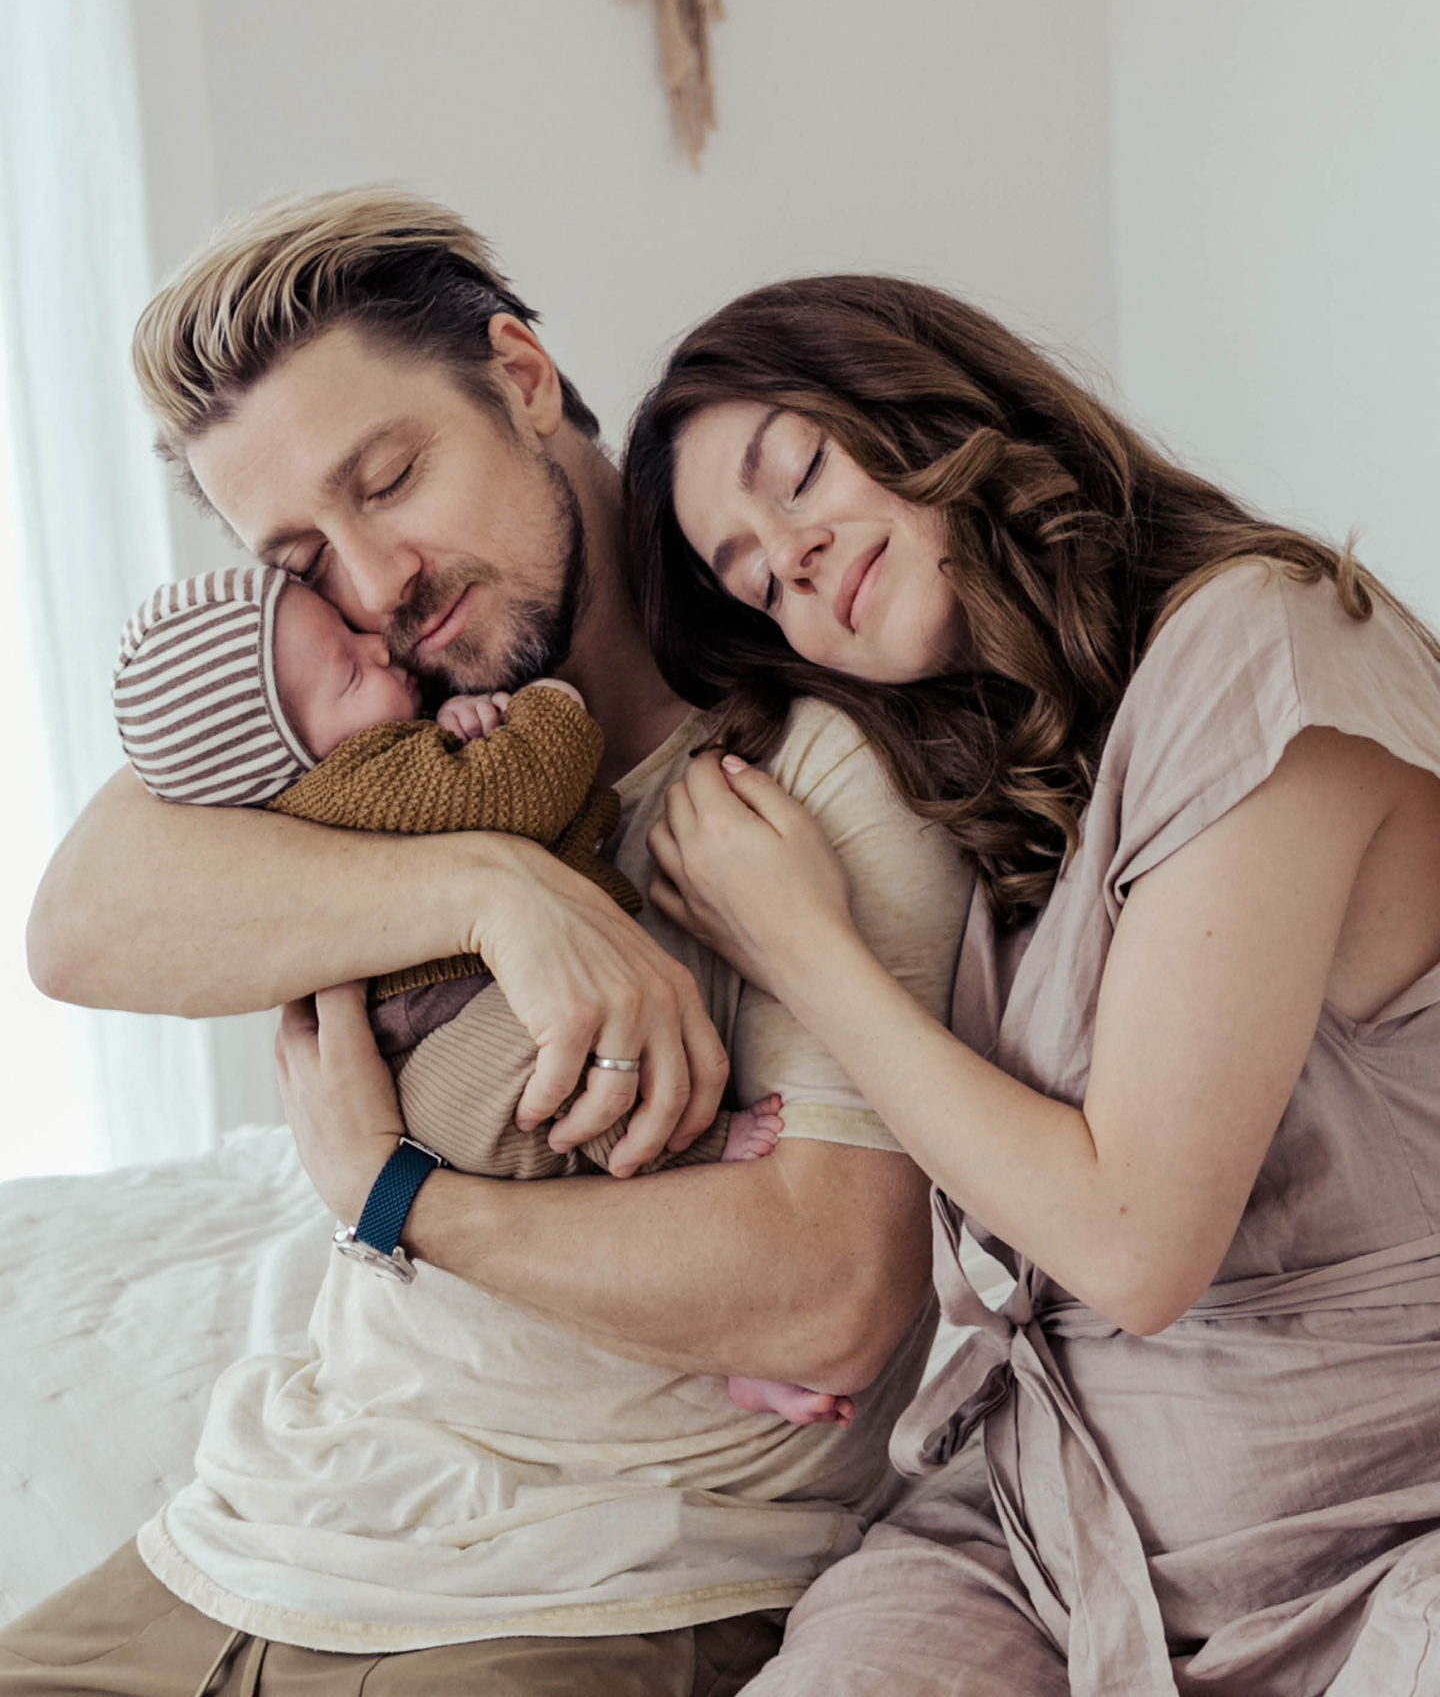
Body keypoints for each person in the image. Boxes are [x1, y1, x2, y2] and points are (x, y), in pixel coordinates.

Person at [2, 195, 970, 1693]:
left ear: (520, 378)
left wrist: (391, 1192)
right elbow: (75, 927)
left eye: (389, 481)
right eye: (304, 560)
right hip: (240, 1543)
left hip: (577, 1598)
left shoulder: (802, 768)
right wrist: (495, 896)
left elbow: (832, 1298)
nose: (375, 585)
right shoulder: (369, 732)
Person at [621, 272, 1440, 1695]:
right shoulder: (1007, 784)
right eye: (755, 578)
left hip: (1366, 1539)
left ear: (928, 398)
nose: (795, 560)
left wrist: (808, 950)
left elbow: (1132, 1242)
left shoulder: (1270, 643)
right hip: (1033, 1528)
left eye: (799, 470)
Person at [112, 563, 822, 1423]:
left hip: (433, 1047)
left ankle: (735, 1359)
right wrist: (548, 706)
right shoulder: (348, 784)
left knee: (585, 1239)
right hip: (443, 1055)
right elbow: (514, 794)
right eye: (347, 669)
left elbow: (447, 793)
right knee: (580, 1071)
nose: (381, 643)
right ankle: (696, 1153)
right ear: (291, 755)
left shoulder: (356, 765)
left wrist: (454, 721)